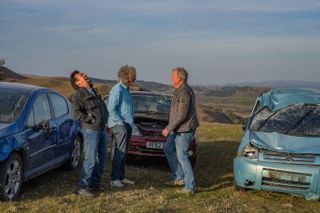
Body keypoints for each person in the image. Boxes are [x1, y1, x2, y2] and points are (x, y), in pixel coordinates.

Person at [70, 70, 109, 197]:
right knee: (90, 159)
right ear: (77, 82)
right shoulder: (78, 95)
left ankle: (94, 184)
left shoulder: (94, 91)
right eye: (81, 75)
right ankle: (82, 187)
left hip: (102, 129)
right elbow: (76, 114)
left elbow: (102, 108)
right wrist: (90, 119)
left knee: (102, 159)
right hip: (91, 130)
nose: (84, 75)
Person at [162, 67, 199, 194]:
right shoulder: (179, 90)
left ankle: (189, 186)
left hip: (184, 130)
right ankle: (178, 177)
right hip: (178, 129)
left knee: (182, 156)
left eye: (173, 76)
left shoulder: (184, 92)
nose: (171, 79)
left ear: (180, 78)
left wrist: (168, 128)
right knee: (168, 147)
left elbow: (181, 115)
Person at [108, 65, 136, 187]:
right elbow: (111, 108)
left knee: (124, 152)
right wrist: (120, 123)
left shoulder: (126, 89)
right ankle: (114, 179)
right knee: (120, 152)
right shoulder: (117, 89)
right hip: (120, 125)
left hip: (127, 124)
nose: (134, 78)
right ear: (127, 76)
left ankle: (122, 177)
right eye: (133, 76)